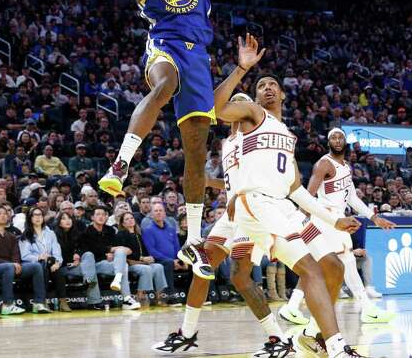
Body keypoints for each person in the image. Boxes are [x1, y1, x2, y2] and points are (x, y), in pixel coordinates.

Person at [200, 35, 366, 358]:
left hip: (283, 206)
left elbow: (296, 190)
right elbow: (216, 108)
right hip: (257, 204)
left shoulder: (287, 135)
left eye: (273, 84)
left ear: (284, 93)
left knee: (333, 265)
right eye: (261, 85)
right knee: (307, 270)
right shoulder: (251, 114)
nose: (267, 88)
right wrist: (240, 69)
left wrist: (334, 219)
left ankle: (316, 335)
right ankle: (336, 347)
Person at [99, 0, 215, 281]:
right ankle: (121, 165)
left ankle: (194, 239)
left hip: (199, 57)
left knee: (197, 153)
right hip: (164, 47)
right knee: (165, 83)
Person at [154, 92, 291, 357]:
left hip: (250, 212)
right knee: (202, 266)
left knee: (239, 277)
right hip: (230, 214)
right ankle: (187, 333)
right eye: (235, 102)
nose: (238, 107)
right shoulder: (227, 142)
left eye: (243, 103)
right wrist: (206, 181)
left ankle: (279, 338)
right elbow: (230, 181)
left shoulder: (255, 135)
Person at [279, 127, 397, 327]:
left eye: (340, 136)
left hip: (335, 218)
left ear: (345, 142)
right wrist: (301, 217)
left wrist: (374, 217)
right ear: (328, 142)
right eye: (333, 137)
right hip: (327, 218)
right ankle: (367, 309)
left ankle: (292, 306)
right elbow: (308, 195)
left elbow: (351, 197)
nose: (337, 139)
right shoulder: (324, 164)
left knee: (319, 265)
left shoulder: (345, 167)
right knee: (347, 261)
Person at [0, 205, 50, 315]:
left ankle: (38, 303)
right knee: (9, 267)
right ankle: (7, 305)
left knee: (36, 266)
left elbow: (16, 253)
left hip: (12, 267)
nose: (3, 215)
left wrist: (16, 263)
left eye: (5, 214)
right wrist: (12, 264)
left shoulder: (11, 236)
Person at [77, 206, 140, 310]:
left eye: (103, 214)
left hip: (109, 263)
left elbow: (116, 247)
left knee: (123, 263)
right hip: (94, 264)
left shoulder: (110, 230)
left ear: (107, 217)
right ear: (92, 217)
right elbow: (91, 250)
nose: (101, 217)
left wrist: (116, 251)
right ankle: (126, 299)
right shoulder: (86, 232)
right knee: (122, 261)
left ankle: (122, 290)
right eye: (98, 214)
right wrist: (110, 250)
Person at [19, 207, 70, 311]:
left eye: (40, 215)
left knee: (58, 271)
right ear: (30, 218)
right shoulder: (26, 235)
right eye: (35, 215)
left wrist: (58, 263)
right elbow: (24, 255)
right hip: (34, 264)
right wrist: (38, 257)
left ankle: (63, 301)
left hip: (50, 262)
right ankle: (43, 301)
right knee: (44, 269)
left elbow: (56, 250)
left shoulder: (50, 233)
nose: (38, 218)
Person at [115, 212, 169, 306]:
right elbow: (123, 254)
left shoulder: (139, 234)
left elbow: (145, 251)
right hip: (130, 263)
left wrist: (150, 258)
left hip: (142, 262)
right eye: (127, 219)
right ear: (123, 224)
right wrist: (142, 258)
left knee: (158, 267)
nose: (130, 220)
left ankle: (159, 296)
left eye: (131, 218)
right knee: (146, 269)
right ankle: (140, 296)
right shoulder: (121, 234)